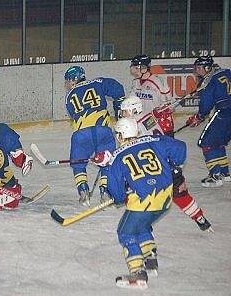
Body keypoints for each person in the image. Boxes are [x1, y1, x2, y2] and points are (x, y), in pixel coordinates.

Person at [102, 118, 187, 289]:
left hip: (142, 203)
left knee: (126, 233)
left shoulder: (117, 157)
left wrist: (117, 193)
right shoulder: (155, 140)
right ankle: (150, 260)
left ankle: (138, 274)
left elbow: (117, 195)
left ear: (120, 135)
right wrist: (174, 168)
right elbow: (181, 148)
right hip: (165, 200)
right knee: (141, 226)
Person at [117, 96, 212, 231]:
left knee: (139, 195)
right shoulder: (148, 116)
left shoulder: (133, 126)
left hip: (153, 167)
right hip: (168, 161)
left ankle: (142, 227)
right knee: (179, 193)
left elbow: (131, 150)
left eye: (124, 111)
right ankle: (200, 218)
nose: (122, 114)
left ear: (133, 110)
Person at [64, 65, 124, 207]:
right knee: (107, 161)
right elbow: (117, 88)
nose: (66, 84)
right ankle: (105, 191)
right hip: (103, 131)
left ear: (74, 79)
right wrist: (118, 106)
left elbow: (74, 115)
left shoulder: (69, 96)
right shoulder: (98, 82)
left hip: (81, 134)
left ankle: (83, 191)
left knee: (78, 164)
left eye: (68, 80)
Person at [185, 55, 231, 187]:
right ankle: (224, 172)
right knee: (219, 141)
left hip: (224, 112)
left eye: (199, 68)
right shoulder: (226, 72)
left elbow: (206, 104)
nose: (197, 71)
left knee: (206, 142)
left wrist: (199, 117)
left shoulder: (208, 81)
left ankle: (215, 175)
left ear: (207, 67)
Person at [129, 54, 175, 136]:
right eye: (133, 68)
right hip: (145, 121)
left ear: (144, 68)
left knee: (165, 147)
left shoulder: (158, 82)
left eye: (136, 68)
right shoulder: (135, 82)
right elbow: (132, 102)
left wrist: (164, 110)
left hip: (161, 122)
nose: (134, 71)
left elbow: (169, 104)